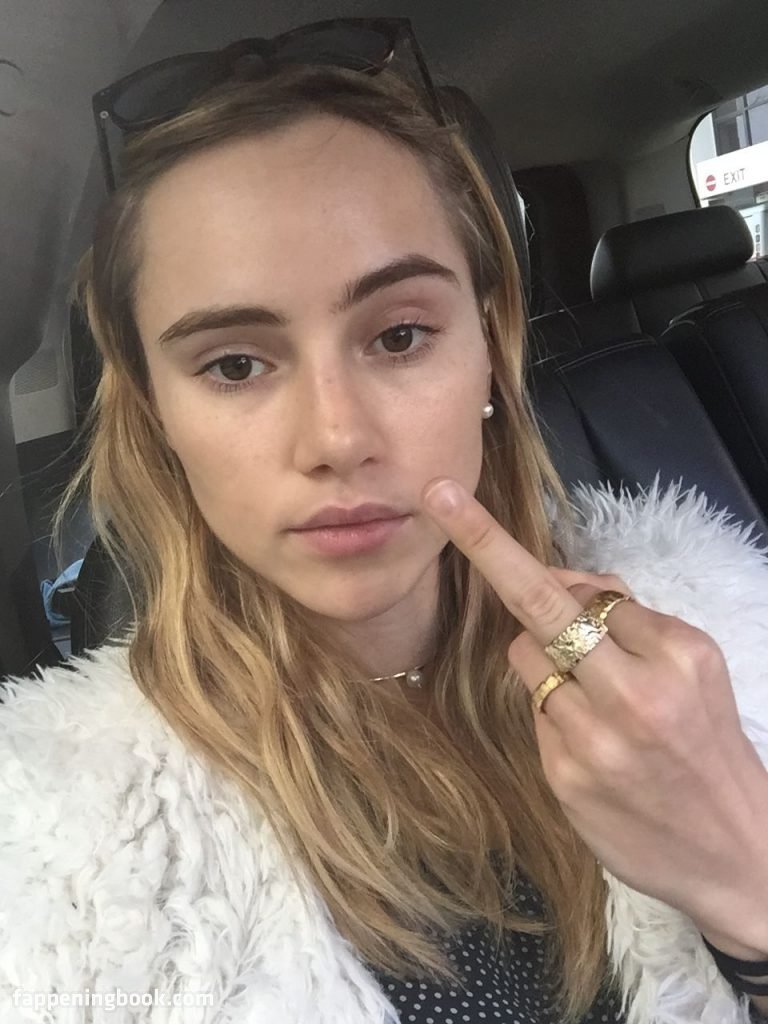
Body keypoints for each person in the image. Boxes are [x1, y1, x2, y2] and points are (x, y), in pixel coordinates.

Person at [1, 22, 768, 1024]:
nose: (337, 437)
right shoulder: (52, 848)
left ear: (490, 348)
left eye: (400, 335)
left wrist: (748, 882)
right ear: (156, 413)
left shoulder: (721, 652)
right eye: (235, 364)